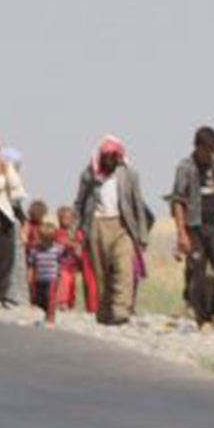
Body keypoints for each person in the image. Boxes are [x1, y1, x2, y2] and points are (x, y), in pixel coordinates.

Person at [73, 136, 151, 325]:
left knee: (124, 268)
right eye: (106, 157)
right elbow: (80, 204)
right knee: (101, 273)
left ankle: (121, 309)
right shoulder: (89, 174)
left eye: (113, 156)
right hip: (97, 226)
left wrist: (142, 234)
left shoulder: (128, 174)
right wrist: (75, 233)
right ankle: (105, 311)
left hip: (122, 226)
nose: (110, 160)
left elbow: (137, 204)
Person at [167, 126, 214, 330]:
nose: (208, 154)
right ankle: (203, 318)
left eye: (211, 150)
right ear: (197, 147)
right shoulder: (185, 167)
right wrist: (181, 233)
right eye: (205, 150)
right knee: (197, 271)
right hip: (194, 226)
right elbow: (178, 201)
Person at [0, 135, 24, 310]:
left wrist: (7, 170)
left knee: (3, 258)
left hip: (2, 217)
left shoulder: (5, 168)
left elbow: (17, 190)